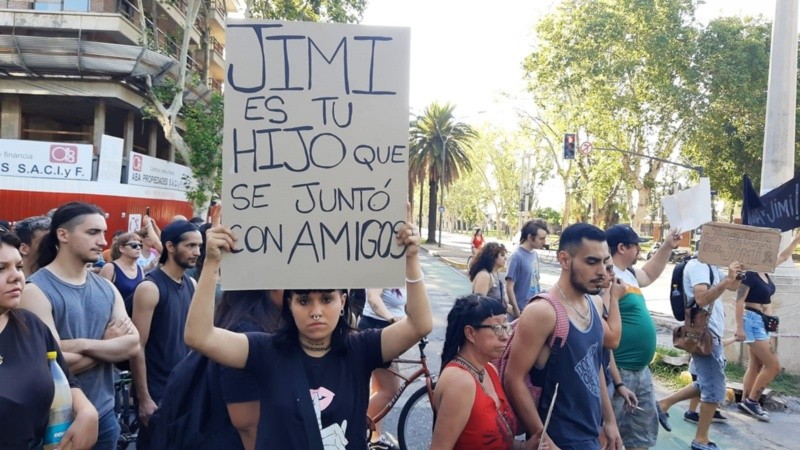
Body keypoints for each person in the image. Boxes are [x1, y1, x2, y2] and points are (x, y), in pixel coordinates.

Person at [184, 216, 432, 450]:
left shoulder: (361, 348)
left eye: (326, 299)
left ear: (342, 301)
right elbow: (199, 336)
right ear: (289, 305)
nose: (316, 311)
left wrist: (411, 260)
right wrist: (212, 264)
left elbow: (419, 325)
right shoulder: (265, 351)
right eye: (304, 301)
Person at [20, 202, 141, 450]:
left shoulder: (106, 288)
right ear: (63, 235)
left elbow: (132, 345)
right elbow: (48, 365)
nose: (103, 241)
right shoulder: (35, 290)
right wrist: (107, 346)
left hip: (105, 416)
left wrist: (79, 345)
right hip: (55, 425)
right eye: (92, 232)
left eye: (104, 233)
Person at [504, 223, 622, 450]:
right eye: (592, 262)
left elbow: (594, 363)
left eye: (605, 262)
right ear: (565, 260)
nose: (601, 271)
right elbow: (513, 379)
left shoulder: (595, 303)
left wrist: (609, 420)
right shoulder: (543, 312)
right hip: (559, 439)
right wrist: (543, 439)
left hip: (591, 433)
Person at [0, 227, 99, 450]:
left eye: (18, 266)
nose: (16, 276)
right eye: (1, 268)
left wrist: (86, 411)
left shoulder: (31, 325)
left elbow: (65, 378)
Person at [605, 224, 680, 450]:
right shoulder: (608, 277)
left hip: (641, 371)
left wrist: (667, 246)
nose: (639, 250)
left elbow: (649, 274)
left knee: (641, 435)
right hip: (619, 370)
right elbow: (602, 325)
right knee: (609, 436)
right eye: (636, 246)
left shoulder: (629, 274)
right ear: (622, 247)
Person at [657, 258, 743, 450]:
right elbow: (702, 299)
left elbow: (732, 287)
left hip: (711, 333)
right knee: (714, 388)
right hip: (705, 334)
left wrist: (737, 275)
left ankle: (663, 404)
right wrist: (727, 280)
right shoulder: (699, 265)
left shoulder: (710, 265)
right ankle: (700, 439)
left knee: (707, 382)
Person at [129, 220, 201, 447]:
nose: (197, 252)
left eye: (199, 246)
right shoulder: (149, 288)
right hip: (157, 392)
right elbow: (137, 346)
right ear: (170, 247)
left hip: (184, 388)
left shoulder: (191, 283)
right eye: (190, 245)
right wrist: (144, 398)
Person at [431, 294, 535, 450]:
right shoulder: (459, 382)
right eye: (497, 328)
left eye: (506, 326)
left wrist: (524, 446)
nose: (506, 336)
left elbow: (494, 437)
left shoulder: (489, 369)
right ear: (470, 333)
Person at [734, 231, 800, 422]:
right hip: (751, 321)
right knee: (773, 366)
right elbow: (739, 301)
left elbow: (784, 256)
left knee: (757, 364)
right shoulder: (750, 274)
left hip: (760, 321)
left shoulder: (764, 270)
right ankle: (752, 401)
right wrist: (739, 327)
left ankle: (746, 401)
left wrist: (796, 240)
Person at [358, 288, 407, 449]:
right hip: (377, 329)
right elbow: (373, 297)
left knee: (379, 389)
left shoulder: (403, 276)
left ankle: (375, 439)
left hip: (391, 330)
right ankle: (352, 429)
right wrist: (390, 317)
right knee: (390, 389)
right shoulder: (383, 271)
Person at [505, 220, 548, 315]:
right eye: (541, 239)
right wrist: (517, 312)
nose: (544, 242)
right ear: (530, 237)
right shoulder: (516, 257)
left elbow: (534, 281)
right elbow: (509, 286)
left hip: (533, 309)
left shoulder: (534, 254)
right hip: (521, 312)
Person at [98, 231, 144, 307]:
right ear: (121, 248)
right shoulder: (110, 268)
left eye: (140, 245)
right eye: (134, 245)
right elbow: (100, 297)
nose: (138, 248)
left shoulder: (140, 269)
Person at [470, 242, 515, 316]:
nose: (505, 258)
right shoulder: (484, 276)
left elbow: (501, 303)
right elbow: (479, 305)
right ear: (493, 257)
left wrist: (518, 314)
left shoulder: (496, 274)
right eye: (502, 255)